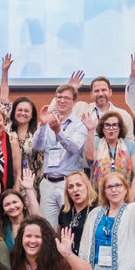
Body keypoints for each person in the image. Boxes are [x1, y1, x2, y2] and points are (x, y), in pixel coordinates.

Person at [30, 81, 91, 223]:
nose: (62, 101)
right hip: (47, 181)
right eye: (59, 97)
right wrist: (43, 125)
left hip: (69, 183)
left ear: (74, 101)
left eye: (66, 98)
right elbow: (37, 146)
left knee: (69, 225)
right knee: (48, 227)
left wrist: (58, 131)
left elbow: (74, 147)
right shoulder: (48, 121)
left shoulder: (80, 124)